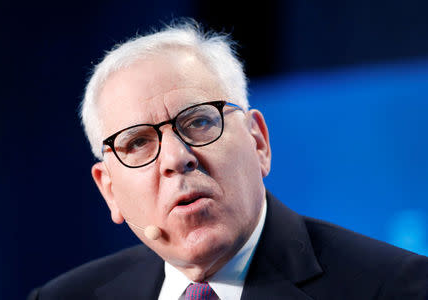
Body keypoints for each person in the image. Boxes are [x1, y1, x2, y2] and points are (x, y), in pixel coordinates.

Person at [28, 21, 428, 299]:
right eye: (137, 144)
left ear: (258, 142)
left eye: (199, 121)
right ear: (109, 190)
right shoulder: (62, 297)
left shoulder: (397, 288)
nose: (176, 158)